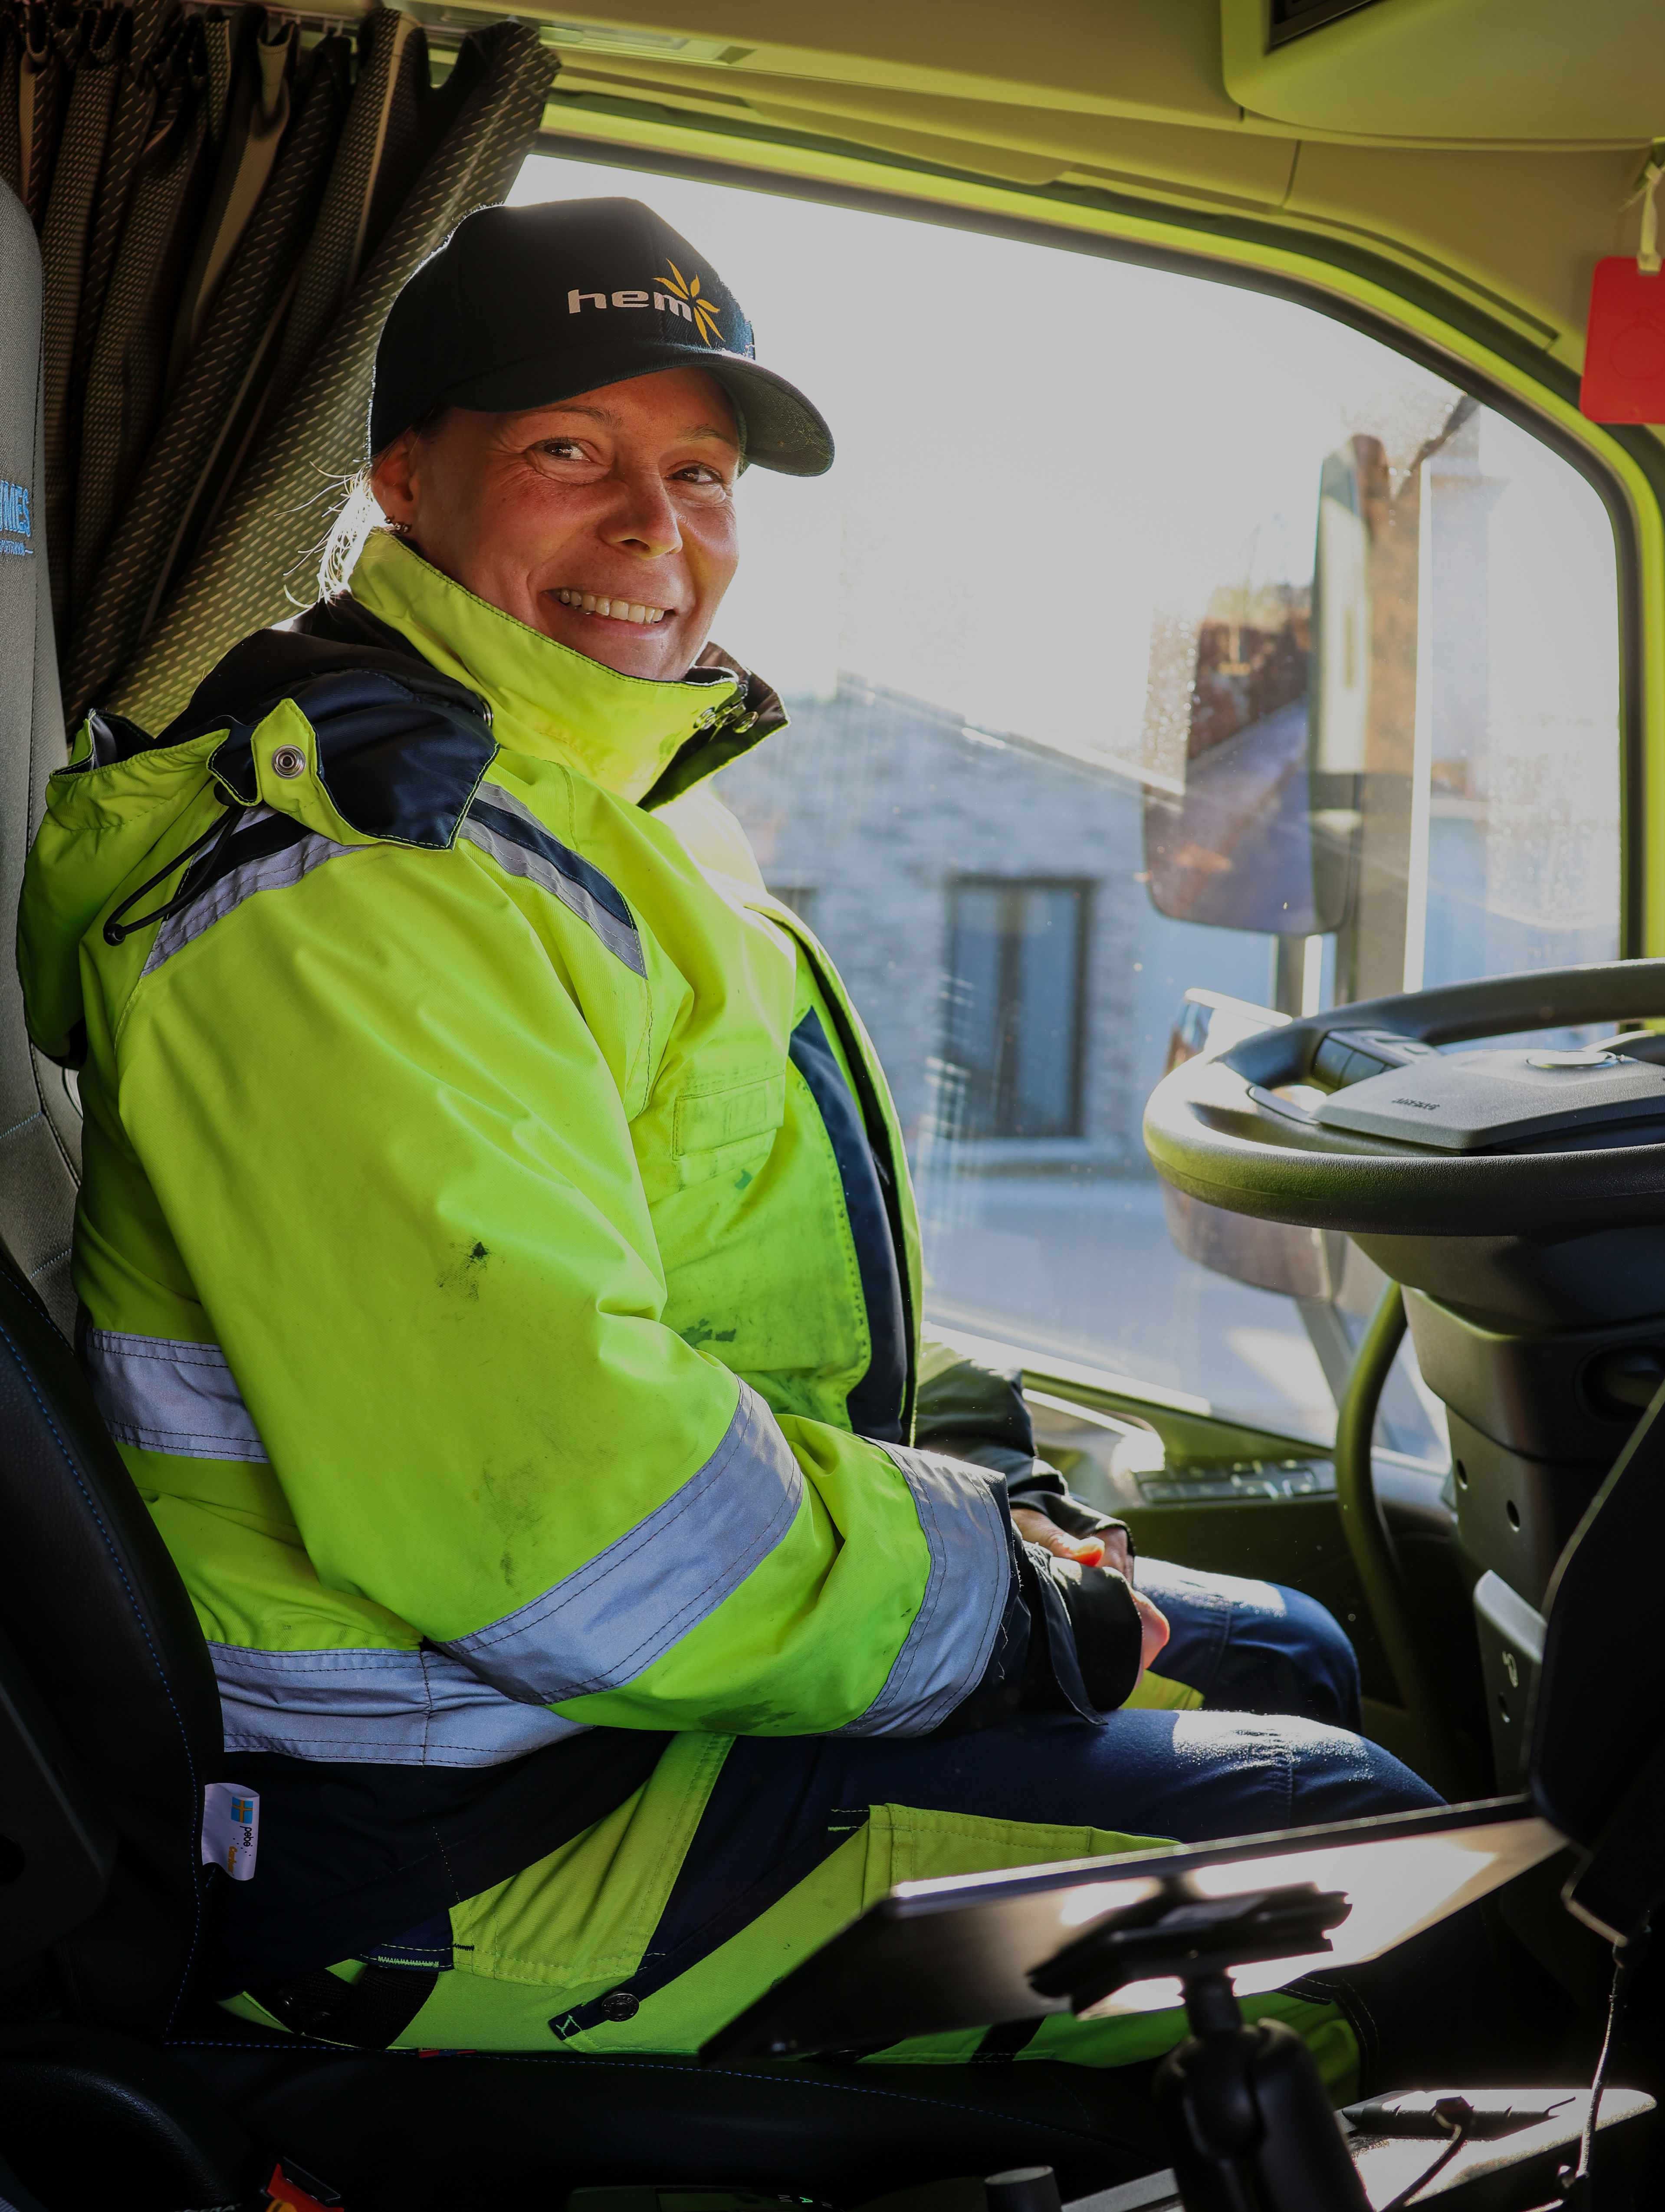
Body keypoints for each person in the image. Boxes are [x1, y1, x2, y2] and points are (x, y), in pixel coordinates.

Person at [19, 197, 1451, 2082]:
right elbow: (580, 1524)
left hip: (571, 1703)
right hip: (441, 1827)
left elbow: (721, 1298)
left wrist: (994, 1515)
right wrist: (1017, 1601)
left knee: (1285, 1651)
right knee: (1359, 1867)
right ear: (403, 483)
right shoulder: (354, 893)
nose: (655, 527)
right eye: (570, 453)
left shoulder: (583, 800)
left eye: (699, 473)